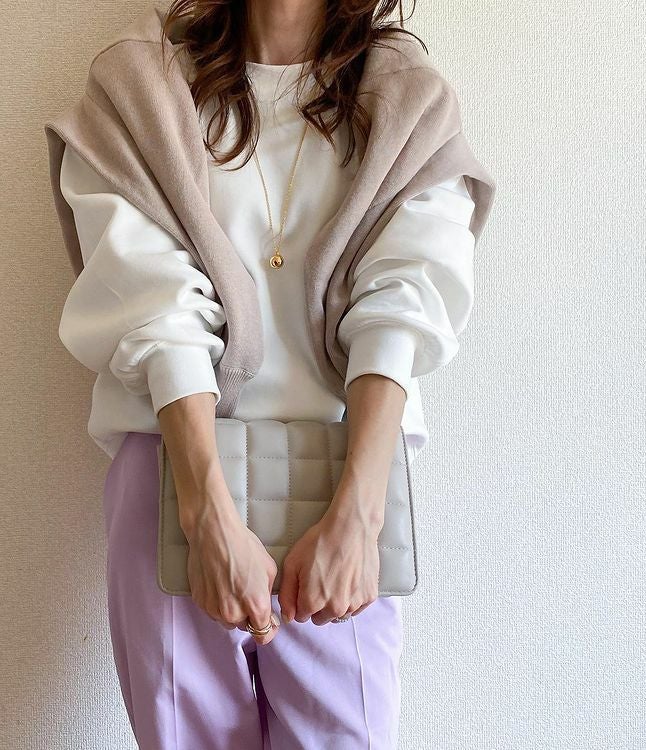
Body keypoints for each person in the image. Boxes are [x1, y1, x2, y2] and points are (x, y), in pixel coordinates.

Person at [49, 1, 490, 747]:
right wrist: (205, 515)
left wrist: (361, 515)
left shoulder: (408, 99)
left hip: (346, 482)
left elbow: (408, 299)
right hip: (174, 472)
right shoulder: (141, 86)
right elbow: (147, 298)